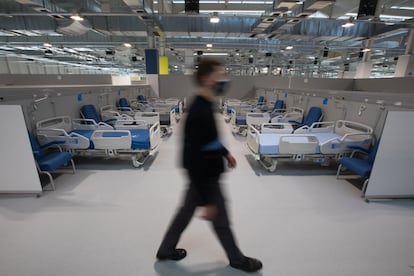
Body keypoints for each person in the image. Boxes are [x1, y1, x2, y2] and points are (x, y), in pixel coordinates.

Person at [156, 58, 262, 273]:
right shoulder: (199, 111)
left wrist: (225, 153)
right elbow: (192, 157)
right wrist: (208, 199)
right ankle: (237, 260)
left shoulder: (205, 104)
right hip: (206, 178)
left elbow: (209, 140)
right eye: (220, 74)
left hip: (203, 176)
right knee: (221, 220)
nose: (224, 78)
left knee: (184, 213)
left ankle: (166, 250)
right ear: (206, 79)